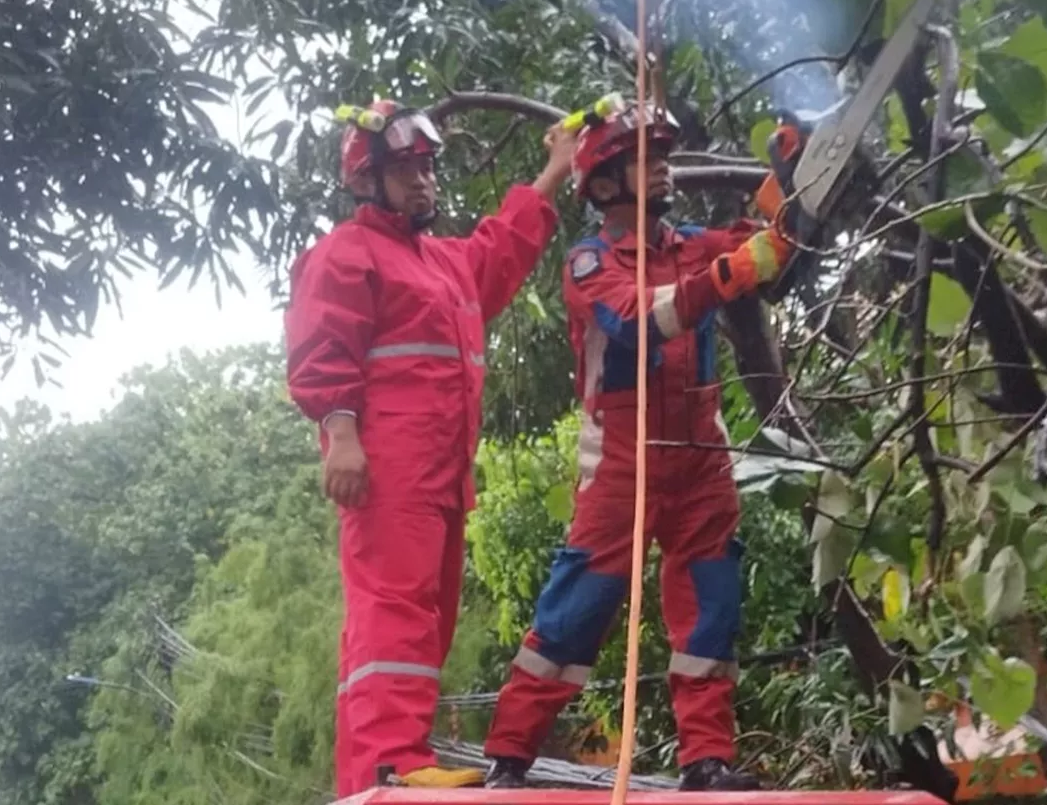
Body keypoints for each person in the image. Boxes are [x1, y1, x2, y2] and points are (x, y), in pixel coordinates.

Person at [480, 99, 792, 791]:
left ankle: (706, 759)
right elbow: (636, 320)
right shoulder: (590, 262)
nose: (662, 169)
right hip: (622, 459)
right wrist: (730, 272)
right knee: (579, 606)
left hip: (701, 452)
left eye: (662, 155)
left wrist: (789, 184)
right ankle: (509, 756)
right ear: (602, 183)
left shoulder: (692, 243)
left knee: (712, 605)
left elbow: (765, 246)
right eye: (644, 159)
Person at [283, 96, 578, 796]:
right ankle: (394, 758)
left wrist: (556, 168)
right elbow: (324, 351)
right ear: (367, 179)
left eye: (427, 167)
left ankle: (376, 772)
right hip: (390, 468)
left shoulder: (441, 263)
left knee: (424, 617)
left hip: (440, 474)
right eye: (406, 169)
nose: (423, 181)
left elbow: (498, 250)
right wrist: (341, 436)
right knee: (396, 609)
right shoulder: (346, 253)